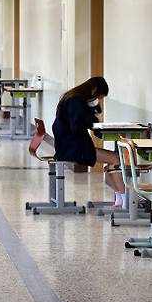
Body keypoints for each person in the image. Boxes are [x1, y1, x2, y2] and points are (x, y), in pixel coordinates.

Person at [52, 77, 127, 208]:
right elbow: (76, 125)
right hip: (73, 149)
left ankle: (120, 200)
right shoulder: (75, 101)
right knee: (116, 160)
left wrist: (94, 109)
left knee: (112, 162)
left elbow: (84, 117)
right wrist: (95, 119)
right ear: (94, 90)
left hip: (68, 146)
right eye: (99, 96)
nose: (98, 100)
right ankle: (125, 200)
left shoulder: (73, 98)